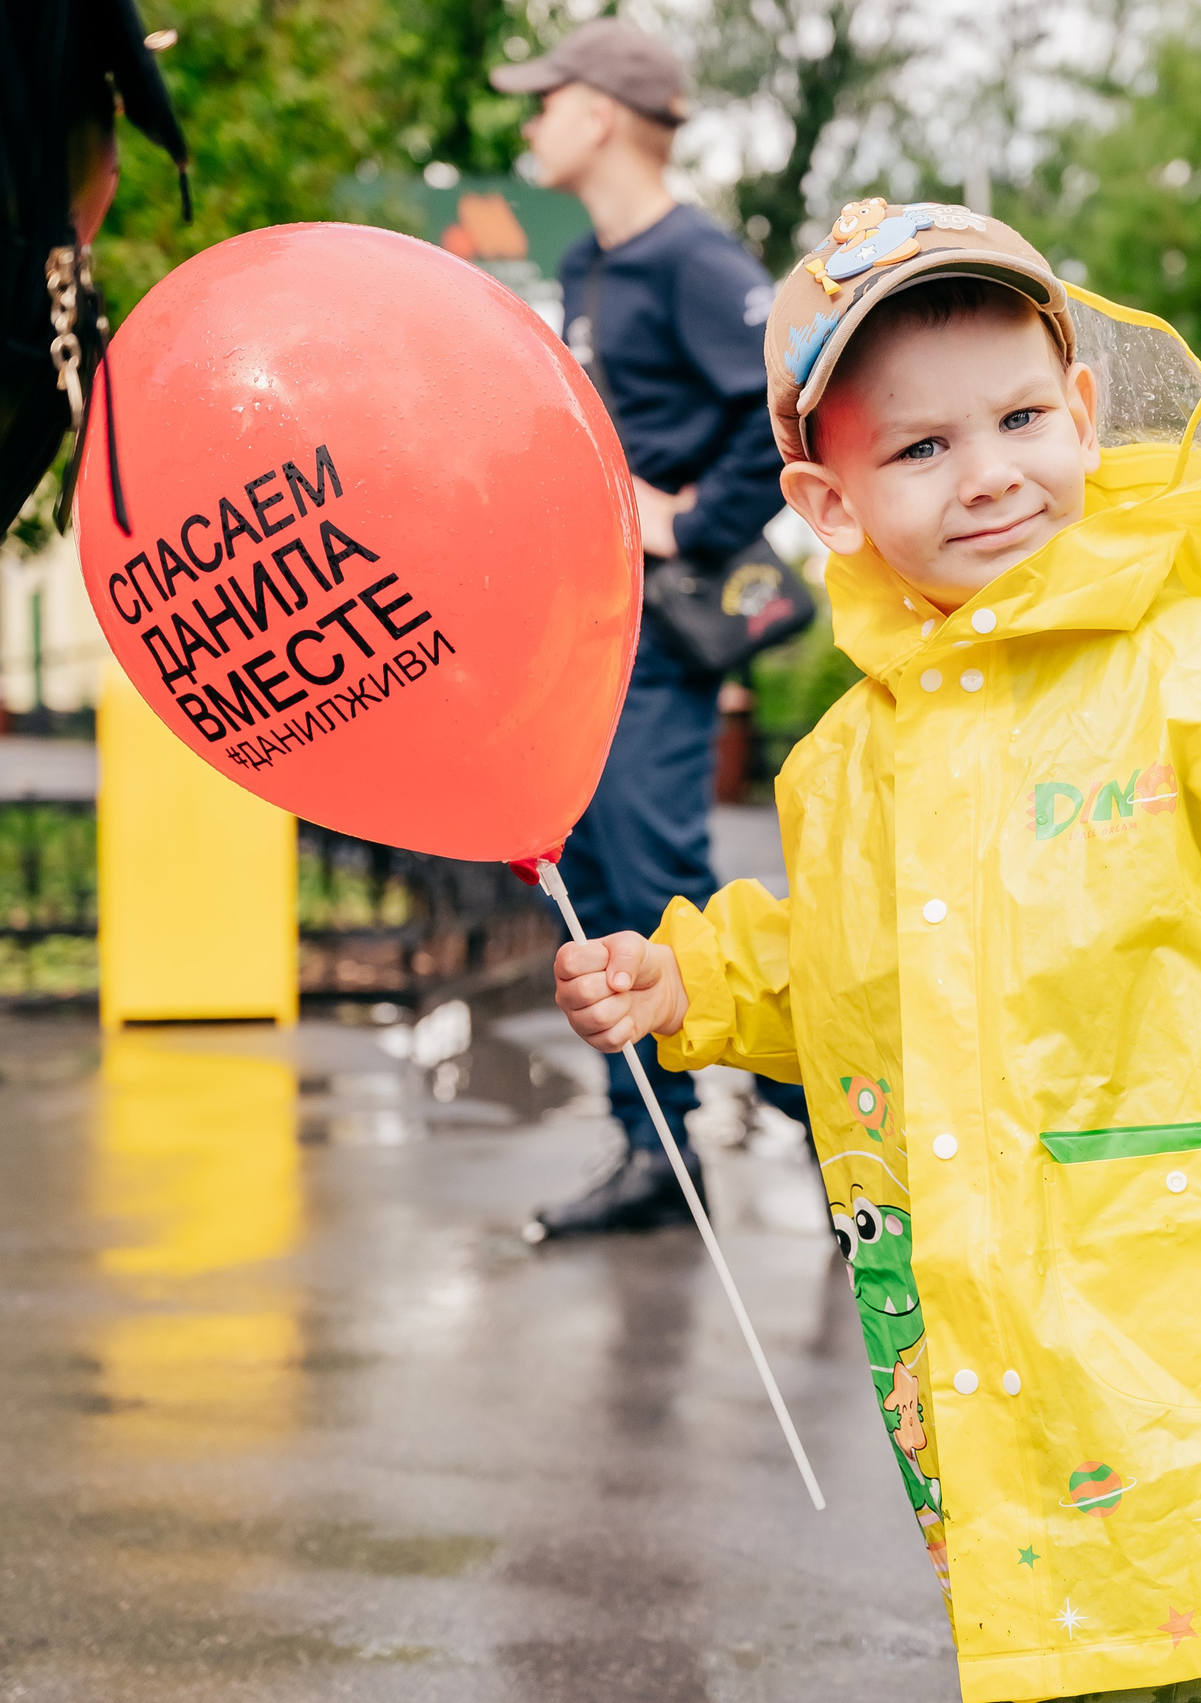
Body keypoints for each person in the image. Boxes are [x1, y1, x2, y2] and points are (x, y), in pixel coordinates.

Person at [553, 203, 1201, 1702]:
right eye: (922, 446)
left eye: (1021, 417)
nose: (989, 472)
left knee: (1172, 1654)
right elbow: (852, 966)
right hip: (992, 1328)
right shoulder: (850, 760)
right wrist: (693, 982)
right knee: (1072, 1658)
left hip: (1187, 1311)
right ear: (828, 502)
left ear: (1083, 413)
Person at [497, 21, 808, 1238]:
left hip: (660, 635)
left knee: (660, 886)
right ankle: (655, 1156)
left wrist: (685, 520)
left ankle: (841, 1121)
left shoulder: (693, 258)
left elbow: (779, 405)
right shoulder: (588, 263)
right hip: (582, 627)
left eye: (545, 100)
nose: (530, 122)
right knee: (585, 881)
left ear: (600, 115)